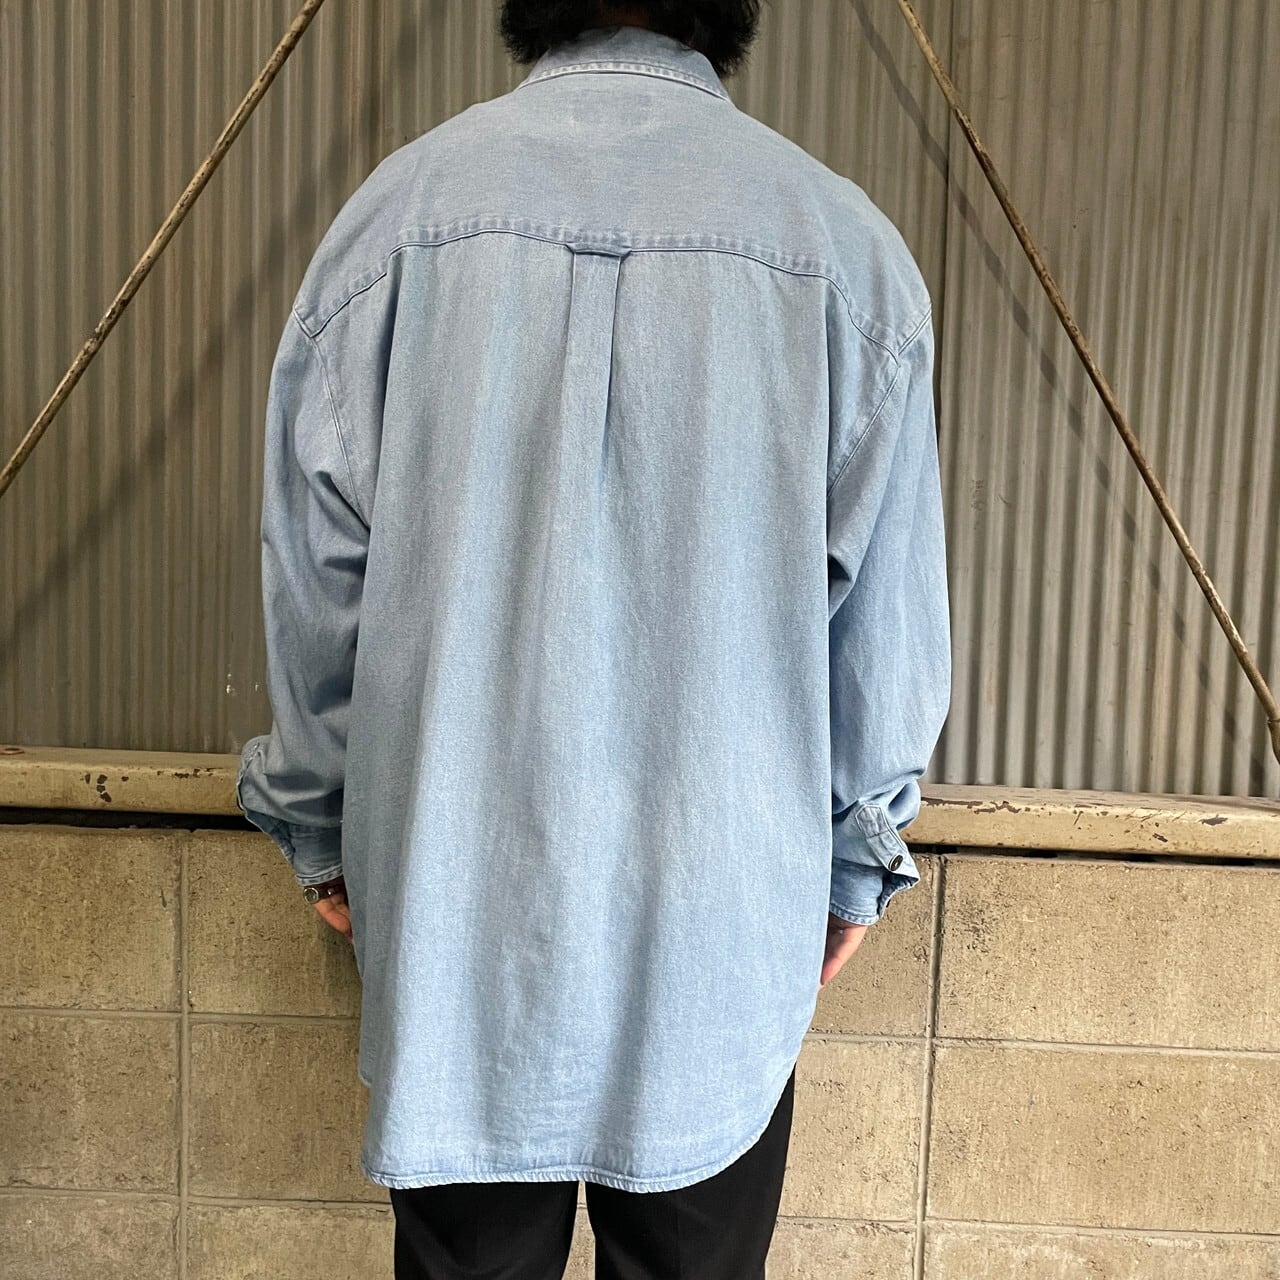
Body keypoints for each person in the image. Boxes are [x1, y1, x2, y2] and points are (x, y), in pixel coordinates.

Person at [234, 1, 951, 1275]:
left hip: (459, 902)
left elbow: (317, 575)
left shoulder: (394, 222)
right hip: (718, 915)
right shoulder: (842, 251)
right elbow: (882, 622)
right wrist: (856, 853)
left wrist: (318, 824)